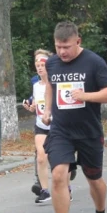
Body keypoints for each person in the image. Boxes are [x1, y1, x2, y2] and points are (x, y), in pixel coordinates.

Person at [40, 21, 107, 213]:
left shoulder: (94, 62)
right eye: (58, 47)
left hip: (88, 131)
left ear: (78, 41)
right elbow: (49, 87)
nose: (62, 52)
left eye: (67, 47)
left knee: (94, 179)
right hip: (61, 131)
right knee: (58, 175)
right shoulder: (52, 63)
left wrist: (86, 96)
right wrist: (47, 110)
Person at [22, 50, 74, 204]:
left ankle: (67, 187)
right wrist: (31, 105)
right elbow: (35, 100)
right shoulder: (35, 83)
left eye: (42, 64)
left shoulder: (58, 81)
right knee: (41, 157)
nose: (39, 68)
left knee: (62, 161)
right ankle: (45, 191)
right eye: (37, 65)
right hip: (41, 126)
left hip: (59, 126)